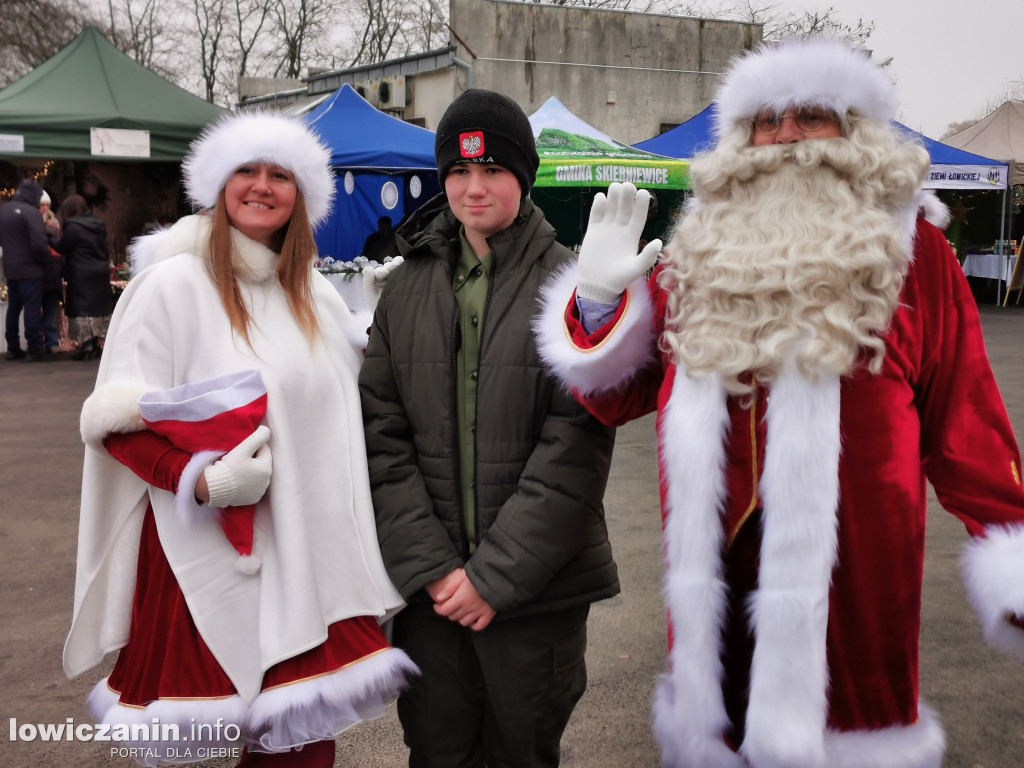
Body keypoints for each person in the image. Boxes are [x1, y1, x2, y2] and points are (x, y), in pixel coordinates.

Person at [535, 38, 1024, 768]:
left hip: (855, 578)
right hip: (718, 579)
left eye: (812, 116)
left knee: (846, 736)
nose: (787, 135)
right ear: (742, 140)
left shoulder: (915, 255)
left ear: (855, 132)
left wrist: (1010, 547)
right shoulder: (700, 254)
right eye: (767, 121)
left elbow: (967, 421)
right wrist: (600, 303)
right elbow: (617, 394)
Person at [63, 111, 416, 767]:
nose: (262, 186)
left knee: (300, 750)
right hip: (209, 556)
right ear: (218, 186)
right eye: (247, 171)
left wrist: (377, 330)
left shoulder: (313, 293)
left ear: (301, 195)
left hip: (307, 562)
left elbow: (344, 419)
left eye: (280, 174)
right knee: (211, 740)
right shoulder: (171, 285)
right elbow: (117, 428)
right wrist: (202, 479)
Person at [358, 88, 619, 768]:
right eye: (458, 172)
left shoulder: (571, 283)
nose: (474, 188)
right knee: (437, 750)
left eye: (493, 170)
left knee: (521, 753)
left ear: (522, 176)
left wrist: (494, 579)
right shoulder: (403, 286)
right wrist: (437, 571)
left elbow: (577, 445)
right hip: (432, 596)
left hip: (537, 595)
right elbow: (380, 436)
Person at [56, 195, 113, 361]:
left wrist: (49, 238)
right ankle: (96, 343)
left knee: (82, 309)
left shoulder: (73, 226)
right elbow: (105, 248)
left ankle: (86, 345)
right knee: (97, 309)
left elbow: (62, 247)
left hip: (81, 272)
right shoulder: (98, 224)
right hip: (100, 271)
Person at [1, 179, 53, 360]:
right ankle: (34, 348)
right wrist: (45, 260)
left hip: (10, 267)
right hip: (30, 269)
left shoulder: (4, 210)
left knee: (14, 307)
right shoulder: (31, 213)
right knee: (32, 308)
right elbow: (39, 243)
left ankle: (13, 347)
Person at [39, 189, 64, 354]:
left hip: (51, 271)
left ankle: (51, 341)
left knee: (48, 311)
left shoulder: (53, 222)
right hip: (44, 271)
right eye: (42, 204)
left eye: (47, 205)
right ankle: (48, 341)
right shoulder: (36, 221)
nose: (45, 208)